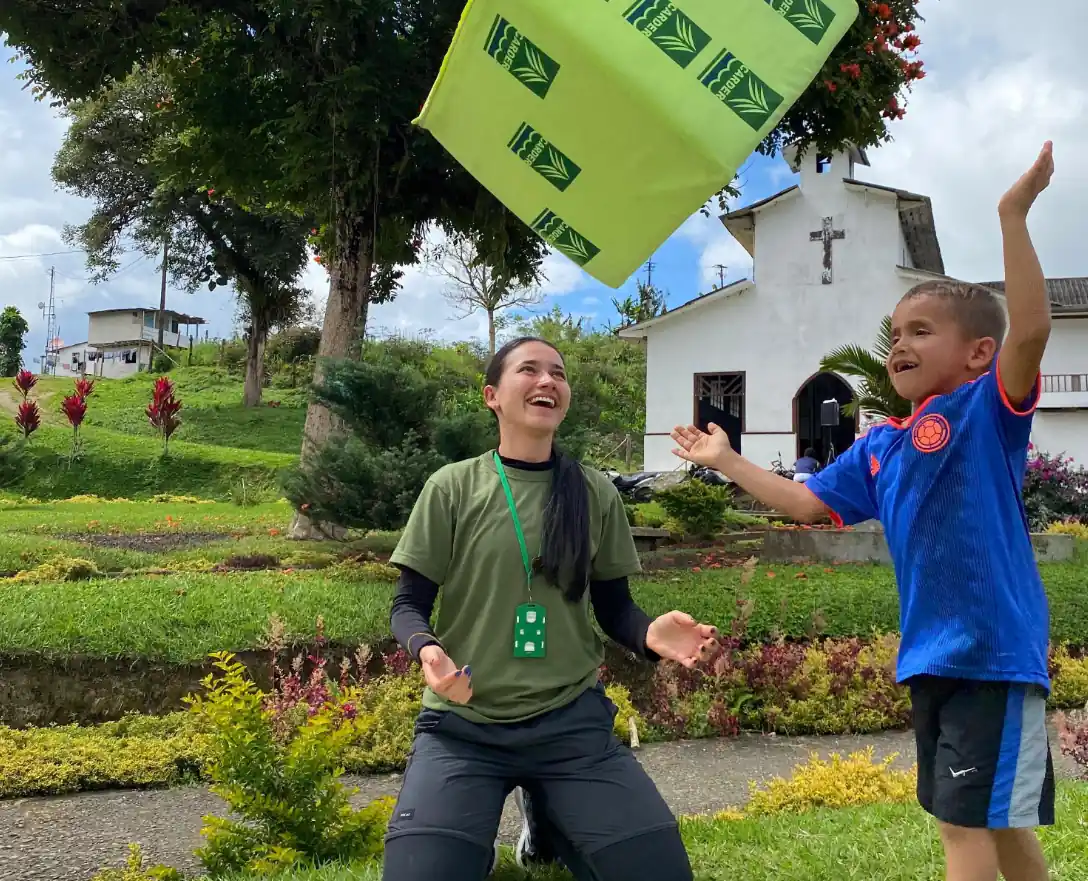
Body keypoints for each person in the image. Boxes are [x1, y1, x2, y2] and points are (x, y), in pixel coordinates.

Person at [670, 142, 1056, 881]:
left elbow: (1031, 332)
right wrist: (726, 459)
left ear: (979, 353)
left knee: (962, 822)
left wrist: (1012, 216)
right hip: (931, 656)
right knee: (991, 819)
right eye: (896, 333)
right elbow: (807, 502)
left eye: (921, 331)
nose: (899, 345)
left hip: (993, 654)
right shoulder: (882, 446)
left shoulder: (987, 410)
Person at [382, 336, 720, 881]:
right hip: (463, 727)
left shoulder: (594, 492)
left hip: (570, 725)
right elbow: (407, 604)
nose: (547, 381)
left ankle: (548, 820)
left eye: (558, 374)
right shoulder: (452, 487)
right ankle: (475, 837)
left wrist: (648, 635)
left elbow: (615, 609)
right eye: (530, 371)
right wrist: (428, 651)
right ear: (493, 395)